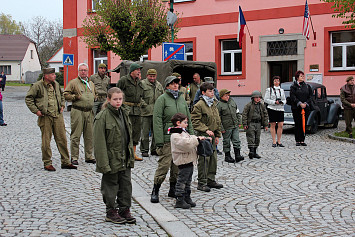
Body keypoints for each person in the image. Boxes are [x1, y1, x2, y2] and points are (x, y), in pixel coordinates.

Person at [93, 87, 136, 225]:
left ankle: (124, 209)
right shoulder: (102, 117)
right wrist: (103, 163)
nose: (118, 102)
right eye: (115, 99)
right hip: (111, 157)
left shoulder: (124, 113)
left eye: (120, 99)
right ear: (109, 99)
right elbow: (99, 143)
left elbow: (128, 136)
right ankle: (111, 211)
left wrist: (131, 155)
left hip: (125, 157)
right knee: (110, 185)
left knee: (126, 184)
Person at [150, 76, 193, 203]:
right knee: (164, 165)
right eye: (172, 84)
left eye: (177, 83)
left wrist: (191, 135)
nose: (175, 86)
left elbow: (188, 119)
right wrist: (159, 141)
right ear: (167, 86)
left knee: (177, 165)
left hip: (181, 138)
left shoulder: (181, 99)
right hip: (167, 138)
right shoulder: (162, 99)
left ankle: (173, 189)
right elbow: (157, 120)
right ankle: (155, 189)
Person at [25, 68, 77, 171]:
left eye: (54, 74)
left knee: (62, 139)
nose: (54, 76)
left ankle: (65, 161)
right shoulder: (37, 86)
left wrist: (62, 105)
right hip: (45, 116)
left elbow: (62, 95)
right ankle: (47, 162)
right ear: (46, 76)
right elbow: (28, 98)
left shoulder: (56, 84)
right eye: (52, 74)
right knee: (46, 141)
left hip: (57, 115)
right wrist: (36, 111)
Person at [170, 113, 208, 209]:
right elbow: (186, 144)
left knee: (188, 180)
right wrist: (197, 139)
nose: (187, 124)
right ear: (178, 123)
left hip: (189, 160)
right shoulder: (175, 135)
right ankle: (179, 199)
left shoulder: (183, 132)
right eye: (185, 122)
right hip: (183, 161)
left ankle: (187, 197)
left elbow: (190, 139)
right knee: (182, 180)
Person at [191, 82, 223, 192]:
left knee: (213, 159)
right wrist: (205, 130)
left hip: (213, 135)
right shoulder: (199, 105)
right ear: (203, 92)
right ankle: (202, 182)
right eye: (210, 91)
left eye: (213, 91)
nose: (212, 93)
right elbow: (195, 121)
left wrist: (217, 134)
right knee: (204, 159)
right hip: (204, 136)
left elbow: (217, 120)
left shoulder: (213, 103)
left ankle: (211, 179)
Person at [64, 63, 97, 165]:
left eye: (85, 70)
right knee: (76, 135)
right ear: (78, 71)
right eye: (81, 70)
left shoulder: (91, 83)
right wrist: (75, 97)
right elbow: (65, 94)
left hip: (89, 112)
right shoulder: (73, 83)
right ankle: (74, 157)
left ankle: (89, 156)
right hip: (78, 111)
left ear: (88, 71)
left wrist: (93, 98)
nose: (83, 72)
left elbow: (94, 94)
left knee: (89, 135)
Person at [116, 63, 146, 161]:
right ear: (132, 71)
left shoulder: (140, 82)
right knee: (125, 131)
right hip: (126, 109)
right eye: (137, 70)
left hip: (137, 110)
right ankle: (124, 153)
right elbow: (116, 92)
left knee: (136, 132)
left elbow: (141, 96)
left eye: (139, 70)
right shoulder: (123, 80)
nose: (139, 72)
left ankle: (133, 154)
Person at [141, 69, 164, 157]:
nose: (152, 78)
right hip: (146, 112)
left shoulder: (159, 85)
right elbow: (139, 97)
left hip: (157, 112)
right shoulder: (142, 84)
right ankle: (144, 150)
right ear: (147, 76)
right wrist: (144, 105)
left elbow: (162, 97)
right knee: (145, 133)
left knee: (156, 132)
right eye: (150, 76)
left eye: (154, 76)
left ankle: (154, 149)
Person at [217, 89, 244, 163]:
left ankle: (237, 155)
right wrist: (221, 128)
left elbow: (237, 112)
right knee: (226, 141)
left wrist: (239, 121)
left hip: (234, 125)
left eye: (228, 95)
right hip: (226, 127)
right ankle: (227, 156)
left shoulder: (232, 101)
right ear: (221, 96)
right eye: (226, 96)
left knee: (236, 140)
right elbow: (218, 118)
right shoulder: (219, 105)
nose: (228, 97)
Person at [242, 90, 269, 159]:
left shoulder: (262, 106)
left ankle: (254, 151)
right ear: (253, 98)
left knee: (257, 138)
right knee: (251, 137)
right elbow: (244, 114)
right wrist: (245, 124)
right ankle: (251, 151)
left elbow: (265, 115)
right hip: (251, 123)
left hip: (258, 123)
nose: (258, 99)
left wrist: (265, 125)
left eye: (259, 97)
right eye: (256, 97)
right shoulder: (248, 105)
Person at [289, 70, 313, 146]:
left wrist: (305, 103)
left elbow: (310, 96)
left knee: (304, 123)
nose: (303, 77)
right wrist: (299, 103)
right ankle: (298, 140)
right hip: (296, 108)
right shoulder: (293, 86)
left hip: (305, 108)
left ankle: (302, 140)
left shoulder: (307, 86)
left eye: (303, 76)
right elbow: (292, 96)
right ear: (297, 77)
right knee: (298, 123)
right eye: (301, 76)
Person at [264, 76, 286, 147]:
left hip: (280, 109)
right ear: (273, 82)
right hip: (272, 108)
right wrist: (274, 102)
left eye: (278, 81)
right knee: (273, 125)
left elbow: (284, 100)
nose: (277, 82)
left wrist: (282, 102)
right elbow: (266, 99)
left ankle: (279, 141)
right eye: (275, 81)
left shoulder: (282, 90)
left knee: (281, 125)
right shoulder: (269, 90)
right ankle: (274, 141)